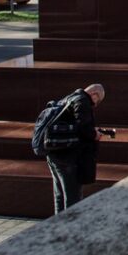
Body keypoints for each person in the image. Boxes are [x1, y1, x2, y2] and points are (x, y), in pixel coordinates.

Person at [45, 84, 107, 213]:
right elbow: (83, 128)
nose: (95, 105)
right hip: (68, 155)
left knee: (59, 195)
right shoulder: (83, 101)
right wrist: (95, 134)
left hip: (54, 152)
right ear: (94, 95)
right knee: (72, 197)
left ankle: (58, 227)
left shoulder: (69, 98)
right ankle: (69, 228)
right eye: (97, 101)